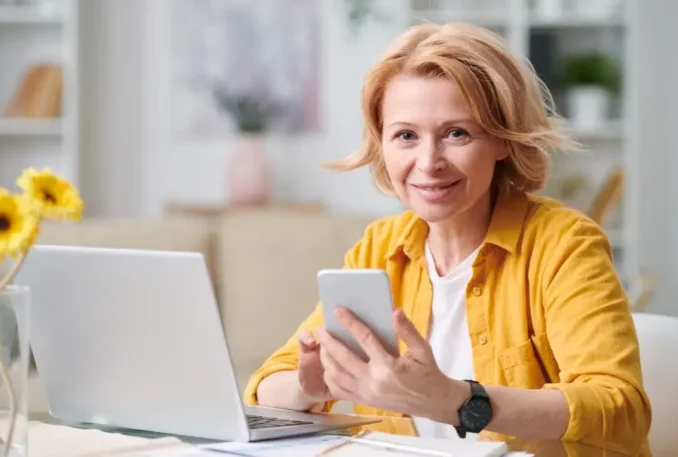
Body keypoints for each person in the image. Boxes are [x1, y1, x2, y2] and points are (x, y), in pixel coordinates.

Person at [242, 22, 651, 456]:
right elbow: (266, 385)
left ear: (501, 139)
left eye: (457, 133)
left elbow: (620, 406)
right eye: (406, 136)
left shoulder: (564, 244)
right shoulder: (379, 248)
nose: (428, 163)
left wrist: (458, 401)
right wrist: (311, 385)